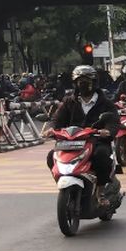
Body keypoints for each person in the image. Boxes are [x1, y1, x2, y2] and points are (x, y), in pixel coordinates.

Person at [49, 64, 119, 202]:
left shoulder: (105, 102)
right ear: (75, 84)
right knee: (51, 156)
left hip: (96, 140)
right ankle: (62, 181)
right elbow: (57, 119)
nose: (83, 85)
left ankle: (100, 191)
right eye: (80, 82)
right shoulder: (69, 102)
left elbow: (114, 121)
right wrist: (51, 129)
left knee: (102, 155)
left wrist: (108, 131)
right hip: (71, 142)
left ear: (94, 83)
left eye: (87, 81)